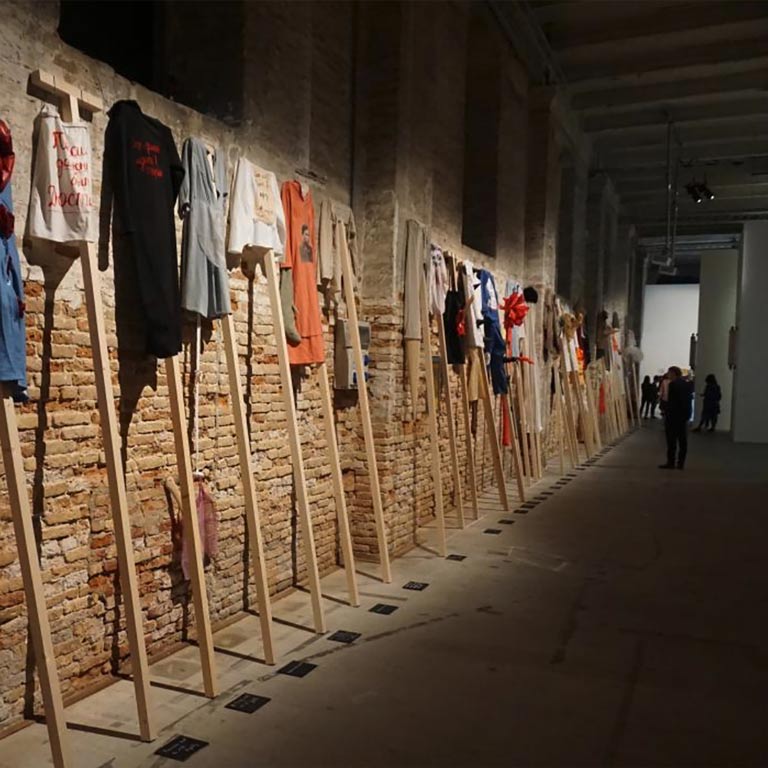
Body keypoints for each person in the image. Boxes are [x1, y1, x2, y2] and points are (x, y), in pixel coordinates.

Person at [659, 366, 692, 470]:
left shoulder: (673, 384)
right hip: (684, 416)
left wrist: (666, 413)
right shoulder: (687, 385)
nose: (668, 375)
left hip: (673, 417)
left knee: (671, 441)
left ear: (673, 373)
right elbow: (687, 401)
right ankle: (681, 463)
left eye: (669, 373)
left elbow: (672, 402)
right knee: (682, 441)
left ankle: (671, 462)